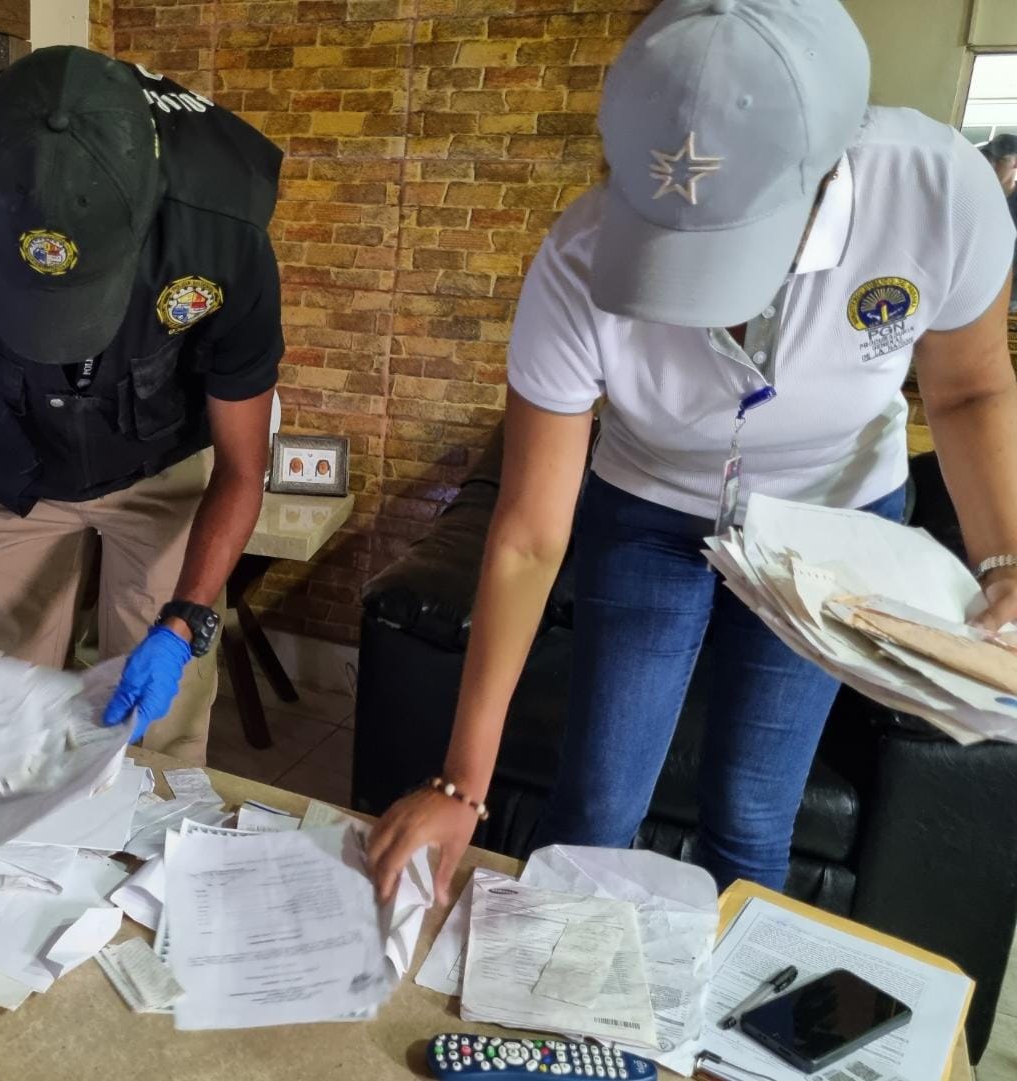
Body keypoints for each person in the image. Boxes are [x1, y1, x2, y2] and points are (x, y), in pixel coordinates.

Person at [369, 0, 1017, 905]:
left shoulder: (938, 192)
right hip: (647, 506)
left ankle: (715, 1000)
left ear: (832, 168)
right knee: (596, 801)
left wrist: (1004, 559)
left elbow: (970, 390)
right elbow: (528, 536)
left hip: (830, 518)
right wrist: (460, 783)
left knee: (751, 814)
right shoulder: (577, 258)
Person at [0, 47, 283, 766]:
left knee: (157, 730)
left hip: (162, 463)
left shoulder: (222, 225)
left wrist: (183, 623)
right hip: (8, 456)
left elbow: (243, 467)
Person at [979, 134, 1017, 310]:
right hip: (978, 286)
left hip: (1010, 291)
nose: (993, 165)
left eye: (1001, 160)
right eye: (990, 158)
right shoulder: (978, 195)